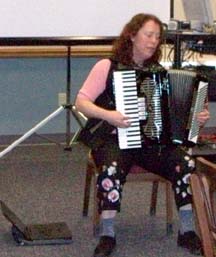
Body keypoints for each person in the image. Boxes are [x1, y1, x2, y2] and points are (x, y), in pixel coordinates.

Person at [75, 13, 210, 257]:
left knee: (186, 164)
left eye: (157, 37)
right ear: (132, 35)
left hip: (151, 144)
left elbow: (175, 118)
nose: (153, 41)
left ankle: (188, 230)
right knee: (111, 168)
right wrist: (109, 115)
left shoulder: (159, 72)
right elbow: (81, 102)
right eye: (148, 35)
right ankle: (108, 234)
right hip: (115, 138)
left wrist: (196, 118)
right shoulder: (107, 66)